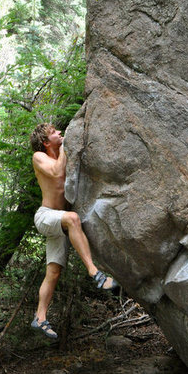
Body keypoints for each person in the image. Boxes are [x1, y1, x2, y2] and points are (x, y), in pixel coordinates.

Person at [30, 123, 118, 339]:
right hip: (46, 216)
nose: (59, 133)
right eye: (54, 133)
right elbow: (56, 172)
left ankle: (39, 318)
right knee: (72, 218)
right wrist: (65, 147)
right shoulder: (39, 157)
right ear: (45, 142)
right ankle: (94, 273)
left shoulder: (61, 155)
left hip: (58, 222)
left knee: (54, 271)